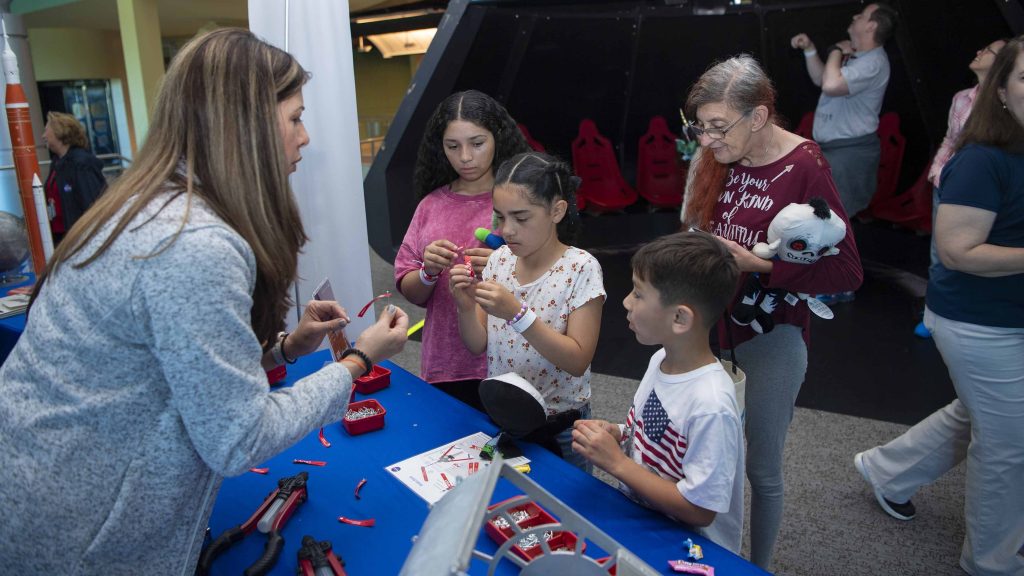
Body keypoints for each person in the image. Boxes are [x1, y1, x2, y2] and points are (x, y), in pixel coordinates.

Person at [0, 28, 409, 573]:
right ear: (247, 126)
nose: (305, 137)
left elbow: (175, 365)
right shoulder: (193, 244)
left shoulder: (153, 204)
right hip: (81, 532)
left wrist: (285, 348)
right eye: (294, 118)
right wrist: (357, 361)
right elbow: (240, 439)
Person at [681, 55, 863, 569]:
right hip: (711, 329)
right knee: (706, 459)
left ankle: (755, 566)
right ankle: (706, 555)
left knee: (761, 468)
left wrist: (759, 266)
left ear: (758, 117)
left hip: (771, 337)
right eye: (701, 126)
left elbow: (847, 272)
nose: (708, 139)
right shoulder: (719, 156)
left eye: (718, 127)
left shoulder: (805, 164)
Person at [855, 35, 1024, 576]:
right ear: (1002, 92)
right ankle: (992, 562)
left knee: (978, 413)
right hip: (979, 323)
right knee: (1009, 442)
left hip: (1008, 316)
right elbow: (958, 250)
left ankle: (886, 471)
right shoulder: (982, 160)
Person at [571, 231, 745, 553]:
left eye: (638, 294)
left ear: (680, 317)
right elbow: (659, 432)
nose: (625, 301)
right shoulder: (661, 359)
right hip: (644, 521)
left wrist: (617, 465)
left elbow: (701, 510)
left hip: (689, 550)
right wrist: (619, 433)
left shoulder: (711, 406)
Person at [451, 152, 605, 469]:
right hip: (506, 416)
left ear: (557, 210)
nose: (507, 230)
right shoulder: (499, 261)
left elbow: (577, 361)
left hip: (561, 426)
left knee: (565, 510)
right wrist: (465, 307)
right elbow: (477, 344)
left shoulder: (580, 268)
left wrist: (518, 314)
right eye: (500, 217)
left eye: (521, 218)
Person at [394, 90, 530, 411]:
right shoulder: (431, 205)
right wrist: (427, 272)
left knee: (511, 459)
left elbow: (553, 279)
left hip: (511, 362)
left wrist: (507, 265)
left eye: (477, 143)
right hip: (445, 364)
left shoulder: (523, 200)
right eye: (452, 146)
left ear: (498, 137)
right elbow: (412, 292)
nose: (465, 157)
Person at [791, 2, 897, 303]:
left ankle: (841, 283)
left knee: (838, 219)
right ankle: (829, 278)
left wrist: (835, 49)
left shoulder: (873, 61)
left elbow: (832, 82)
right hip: (833, 150)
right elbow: (822, 80)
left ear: (872, 26)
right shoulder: (859, 58)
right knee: (827, 217)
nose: (854, 17)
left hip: (850, 152)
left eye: (861, 16)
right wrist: (812, 50)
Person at [914, 38, 1008, 338]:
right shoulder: (962, 97)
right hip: (949, 185)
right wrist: (938, 170)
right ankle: (932, 315)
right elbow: (950, 140)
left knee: (974, 254)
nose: (979, 51)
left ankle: (965, 316)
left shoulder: (1006, 104)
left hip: (984, 194)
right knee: (938, 253)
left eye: (988, 51)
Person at [41, 111, 107, 241]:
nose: (43, 136)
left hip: (79, 237)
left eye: (46, 131)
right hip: (59, 235)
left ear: (59, 131)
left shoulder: (81, 164)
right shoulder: (56, 162)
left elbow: (92, 203)